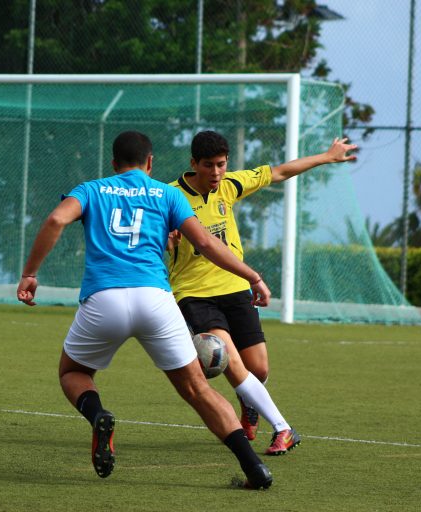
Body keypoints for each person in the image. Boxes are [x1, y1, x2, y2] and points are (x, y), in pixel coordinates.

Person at [16, 131, 274, 489]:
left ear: (113, 164)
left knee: (72, 372)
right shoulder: (168, 194)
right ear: (150, 163)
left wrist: (30, 274)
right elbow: (204, 242)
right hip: (156, 299)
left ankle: (98, 415)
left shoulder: (91, 189)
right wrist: (253, 277)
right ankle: (255, 469)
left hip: (103, 299)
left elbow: (56, 221)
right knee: (199, 389)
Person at [167, 130, 357, 454]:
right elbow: (149, 229)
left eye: (221, 165)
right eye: (208, 165)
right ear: (193, 164)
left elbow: (280, 172)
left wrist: (327, 157)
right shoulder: (170, 196)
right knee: (228, 359)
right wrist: (164, 235)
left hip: (235, 285)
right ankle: (284, 428)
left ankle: (249, 404)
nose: (215, 173)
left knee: (259, 369)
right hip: (194, 293)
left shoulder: (229, 185)